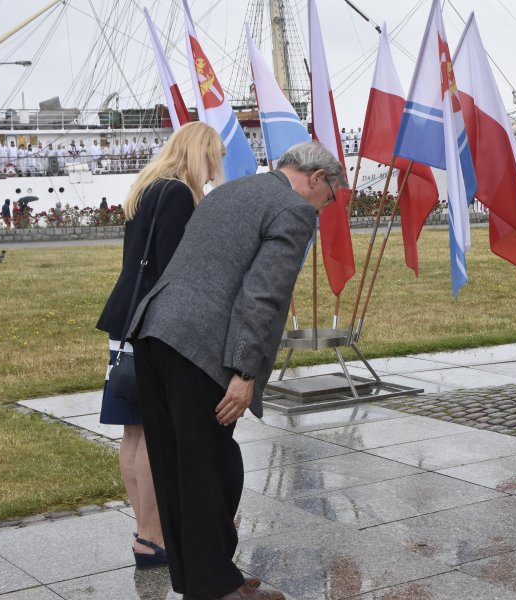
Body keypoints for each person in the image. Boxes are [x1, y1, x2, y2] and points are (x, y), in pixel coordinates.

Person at [128, 140, 342, 600]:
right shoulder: (293, 209)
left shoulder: (231, 190)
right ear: (318, 178)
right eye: (331, 197)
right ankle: (219, 589)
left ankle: (202, 579)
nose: (326, 208)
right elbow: (263, 295)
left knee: (175, 467)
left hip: (153, 332)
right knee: (213, 467)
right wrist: (245, 373)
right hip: (200, 346)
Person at [96, 122, 226, 572]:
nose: (215, 168)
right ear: (197, 152)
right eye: (213, 156)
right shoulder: (175, 193)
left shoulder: (147, 187)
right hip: (153, 326)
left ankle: (143, 531)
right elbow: (176, 269)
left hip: (125, 321)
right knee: (151, 433)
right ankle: (153, 537)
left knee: (133, 433)